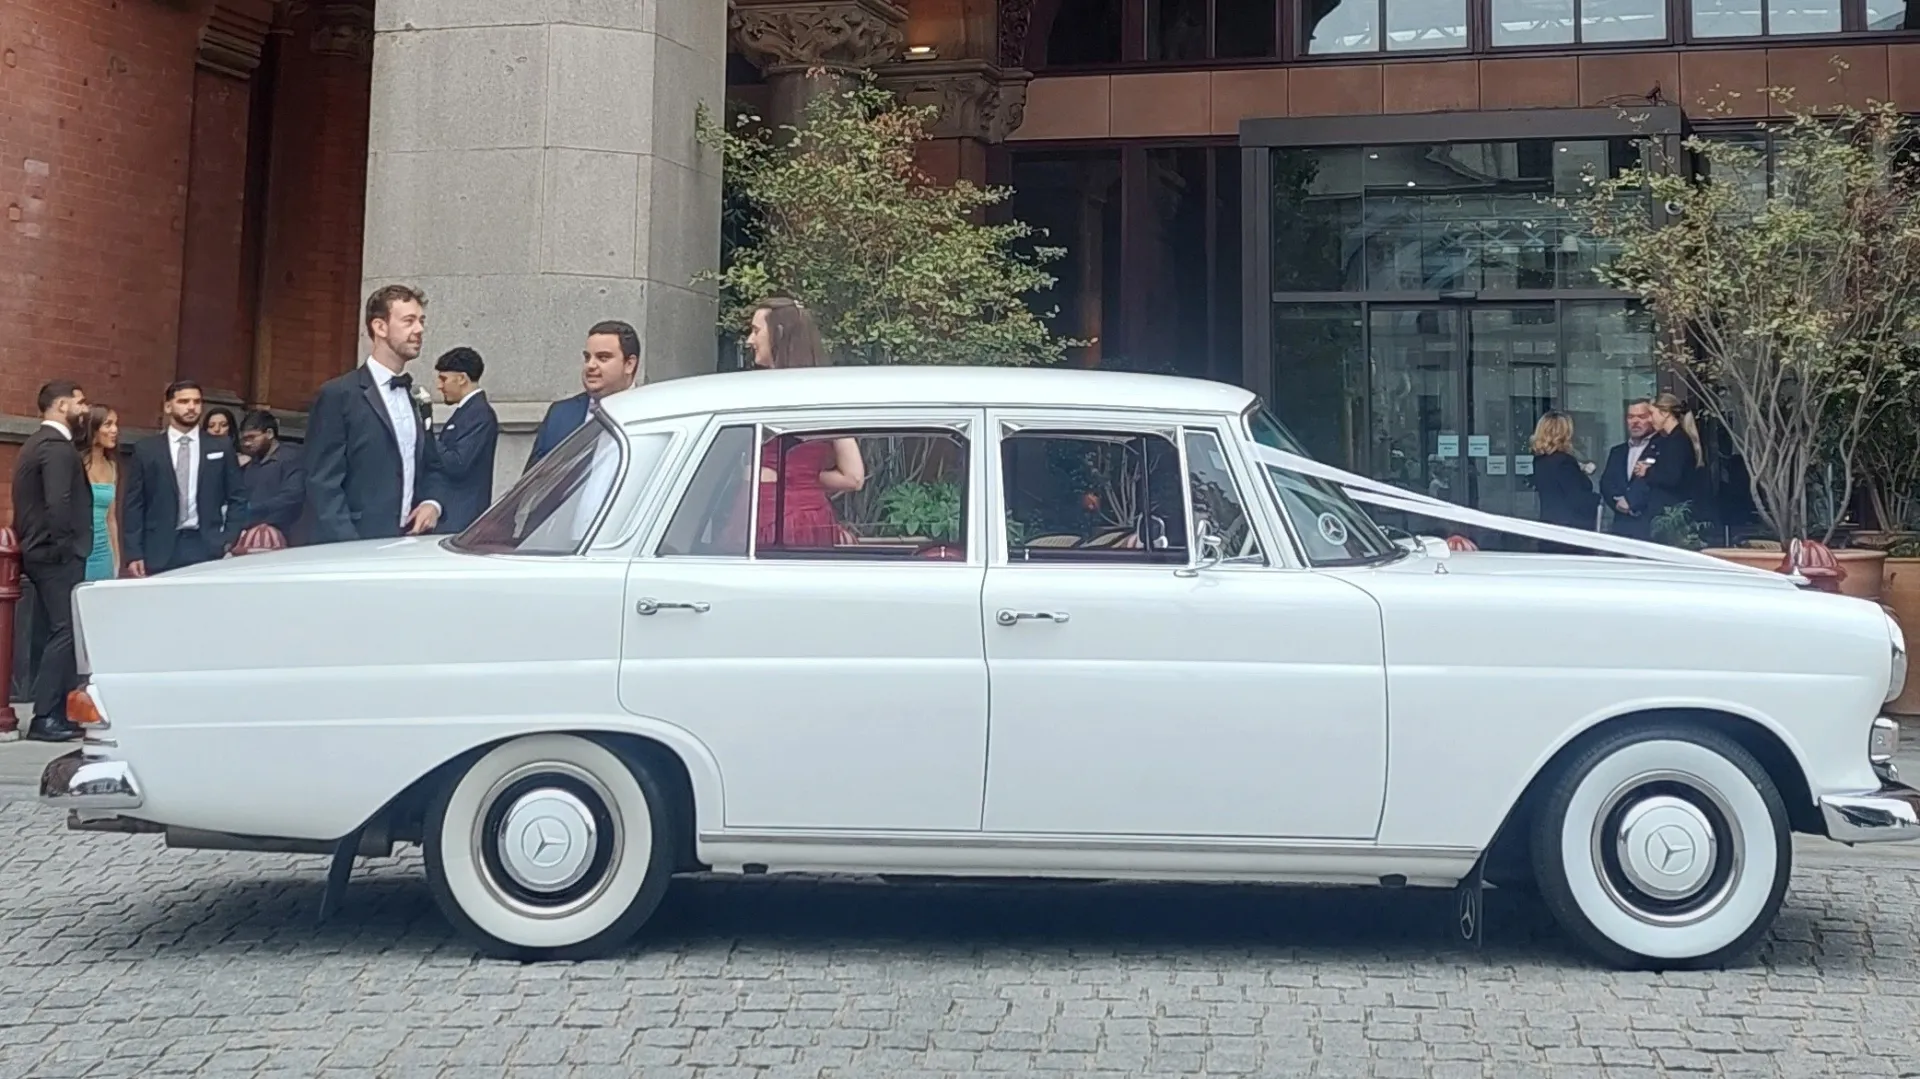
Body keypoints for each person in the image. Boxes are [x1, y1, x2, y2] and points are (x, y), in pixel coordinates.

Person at [304, 284, 445, 543]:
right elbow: (322, 482)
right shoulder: (339, 395)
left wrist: (431, 503)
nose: (420, 330)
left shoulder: (417, 398)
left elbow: (431, 464)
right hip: (355, 546)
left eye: (421, 321)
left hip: (410, 542)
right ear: (380, 327)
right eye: (409, 321)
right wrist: (350, 544)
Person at [745, 298, 864, 549]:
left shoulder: (756, 393)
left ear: (777, 334)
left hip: (767, 515)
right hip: (813, 518)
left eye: (756, 331)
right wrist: (804, 478)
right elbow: (853, 477)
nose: (749, 340)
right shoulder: (827, 396)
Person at [12, 380, 92, 742]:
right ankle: (46, 716)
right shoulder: (56, 447)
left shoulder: (37, 443)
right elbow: (58, 503)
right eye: (79, 402)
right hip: (55, 555)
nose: (85, 409)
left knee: (53, 631)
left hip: (42, 552)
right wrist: (68, 548)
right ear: (62, 406)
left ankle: (55, 712)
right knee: (64, 631)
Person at [120, 379, 246, 576]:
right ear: (168, 406)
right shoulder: (147, 449)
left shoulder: (220, 446)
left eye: (196, 402)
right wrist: (133, 552)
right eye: (184, 401)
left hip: (206, 543)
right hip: (159, 546)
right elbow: (134, 505)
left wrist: (229, 537)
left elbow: (237, 496)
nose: (191, 407)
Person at [526, 320, 640, 472]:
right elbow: (531, 483)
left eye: (603, 358)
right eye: (587, 357)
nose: (591, 365)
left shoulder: (652, 415)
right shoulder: (560, 415)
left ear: (629, 364)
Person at [432, 346, 499, 533]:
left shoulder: (479, 415)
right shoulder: (468, 412)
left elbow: (458, 463)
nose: (439, 385)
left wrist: (427, 434)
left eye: (443, 378)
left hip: (461, 518)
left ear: (461, 378)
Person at [1527, 411, 1599, 552]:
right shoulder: (1565, 462)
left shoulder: (1540, 461)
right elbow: (1577, 497)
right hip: (1569, 533)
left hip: (1549, 528)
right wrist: (1597, 499)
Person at [1637, 392, 1704, 540]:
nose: (1649, 419)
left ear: (1665, 413)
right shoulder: (1669, 440)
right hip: (1667, 515)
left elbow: (1672, 477)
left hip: (1671, 517)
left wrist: (1647, 472)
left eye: (1652, 413)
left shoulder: (1677, 442)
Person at [237, 410, 308, 541]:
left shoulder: (292, 458)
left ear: (269, 433)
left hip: (286, 535)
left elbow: (293, 497)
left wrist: (254, 508)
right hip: (253, 534)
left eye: (252, 438)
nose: (247, 444)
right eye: (244, 439)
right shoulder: (252, 463)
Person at [74, 404, 121, 580]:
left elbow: (111, 518)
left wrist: (116, 558)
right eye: (108, 424)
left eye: (116, 424)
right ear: (92, 428)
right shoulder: (76, 463)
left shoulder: (112, 466)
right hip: (79, 553)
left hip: (103, 552)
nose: (115, 430)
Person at [1599, 398, 1657, 540]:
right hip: (1622, 527)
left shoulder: (1661, 448)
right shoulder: (1617, 451)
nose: (1635, 421)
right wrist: (1617, 503)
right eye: (1631, 417)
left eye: (1641, 417)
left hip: (1650, 526)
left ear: (1652, 418)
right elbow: (1606, 483)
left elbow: (1660, 482)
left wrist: (1633, 504)